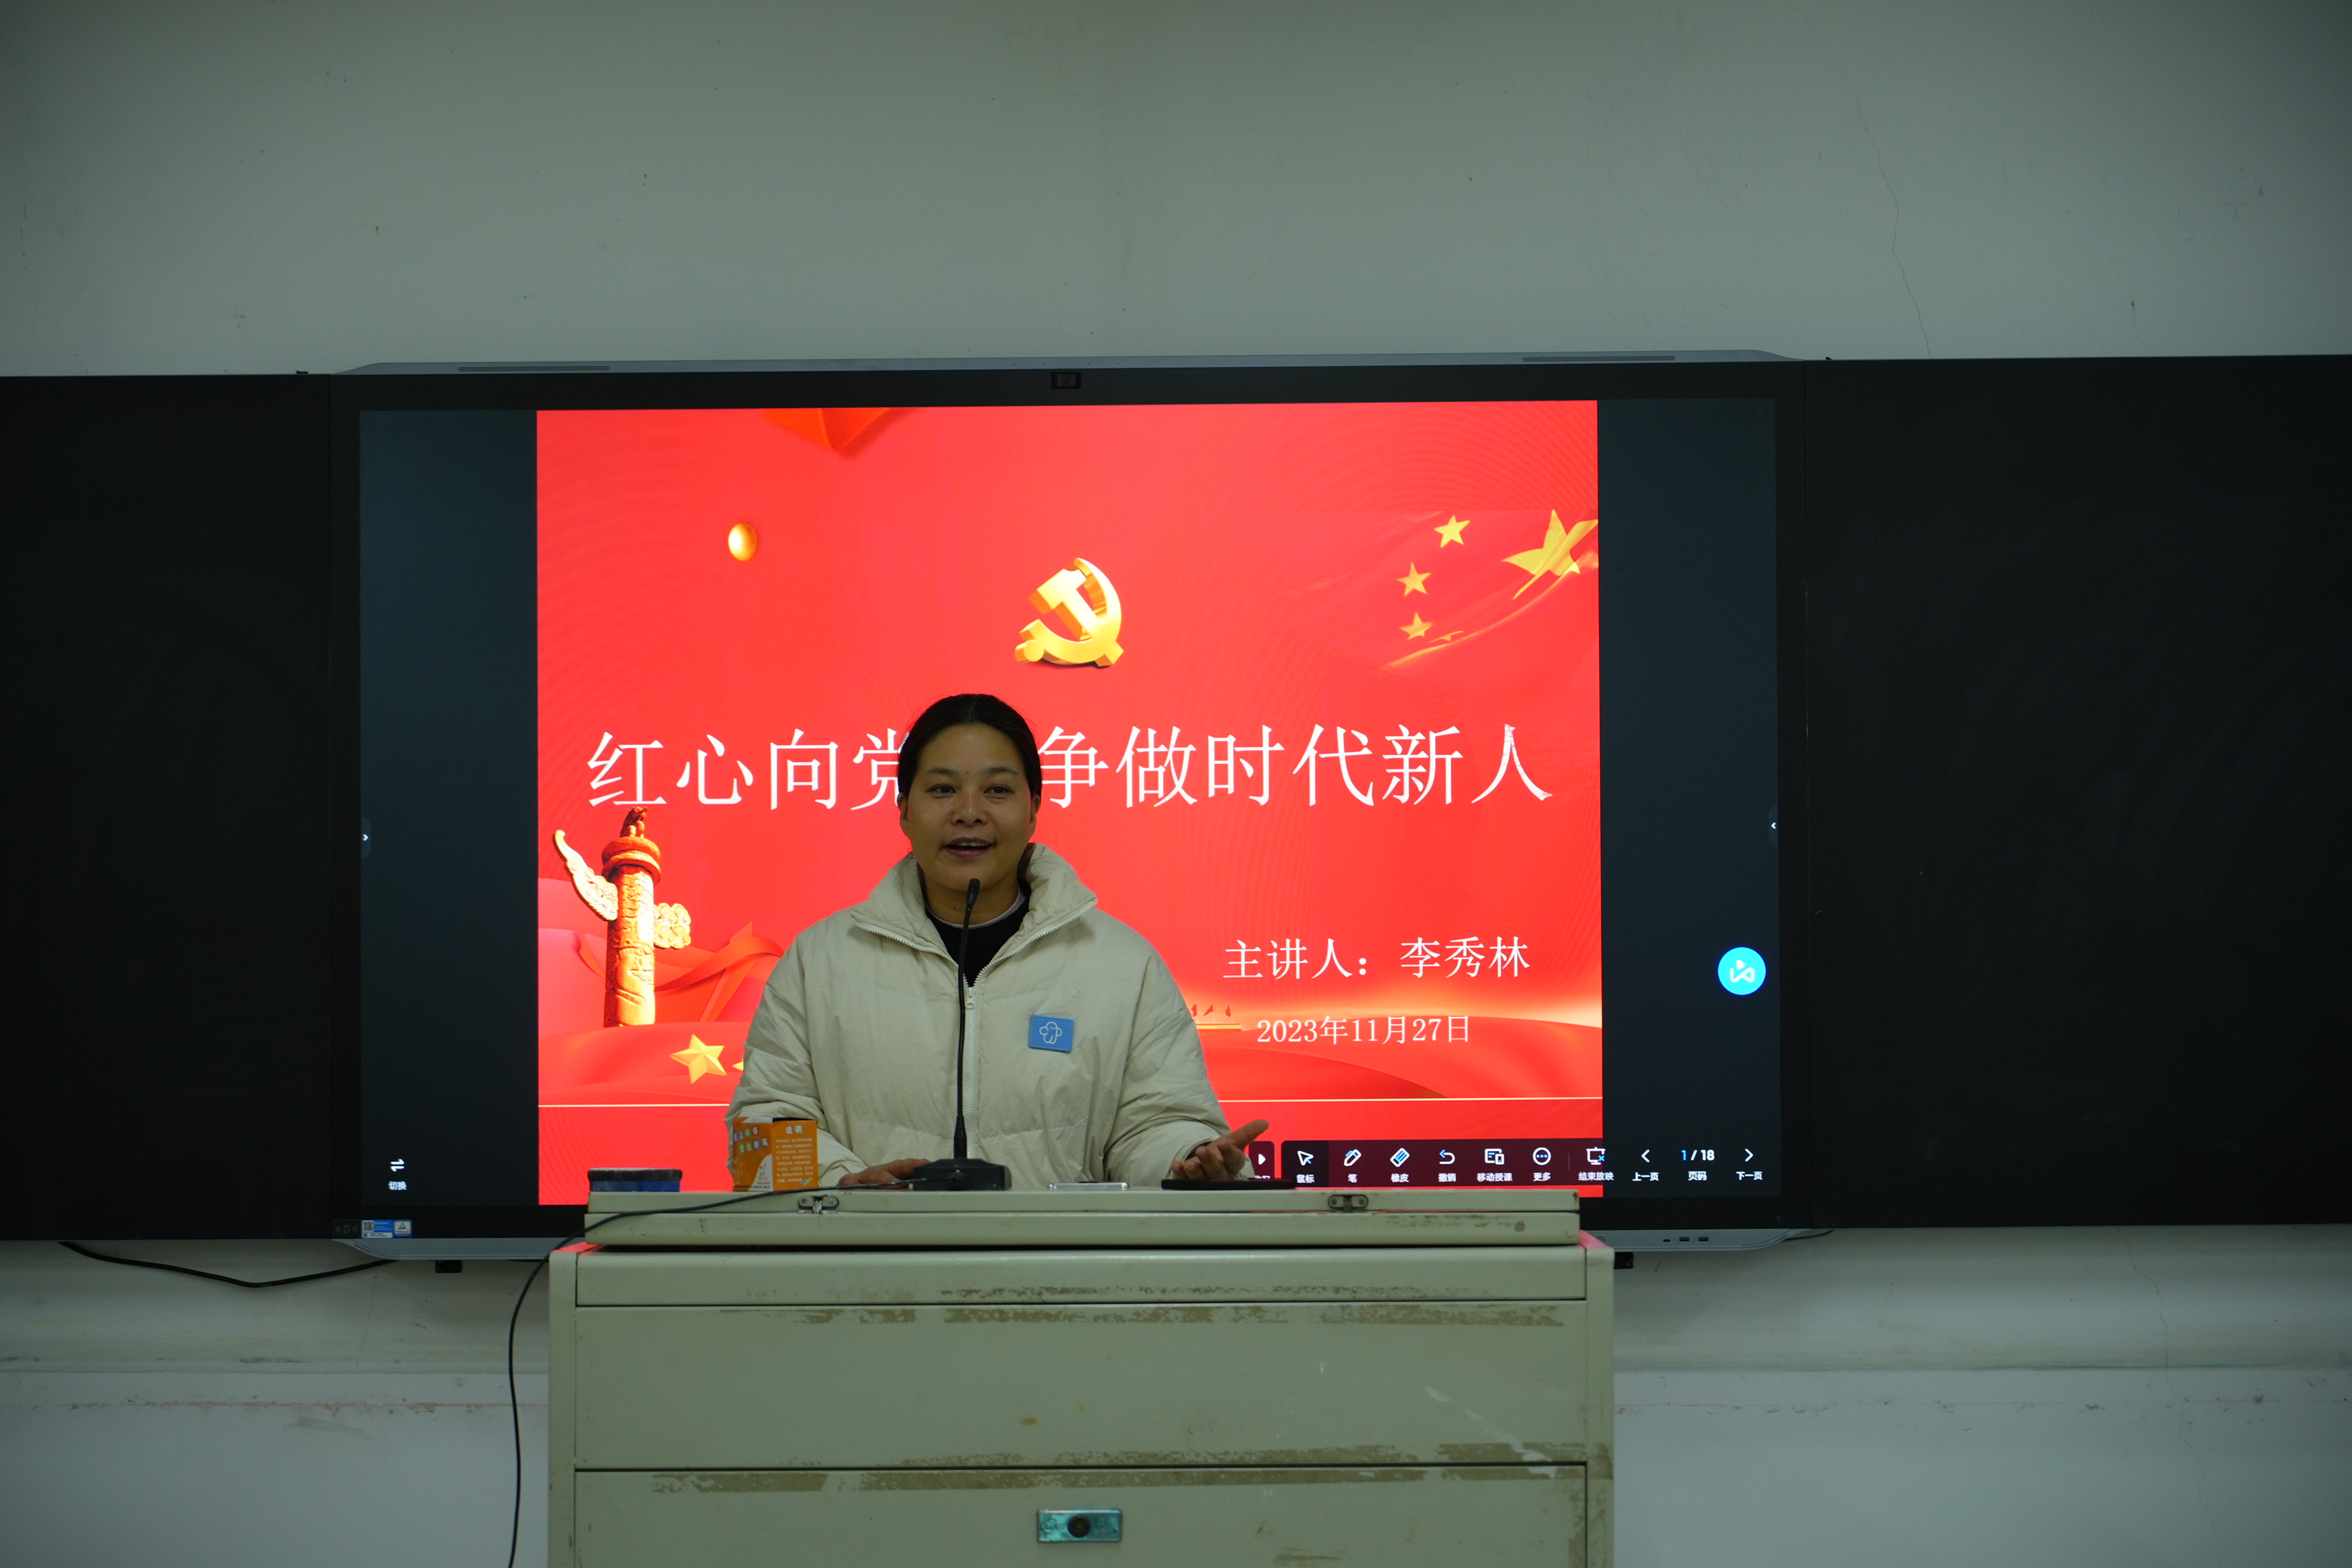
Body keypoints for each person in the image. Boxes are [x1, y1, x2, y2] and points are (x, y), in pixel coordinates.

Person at [727, 693, 1267, 1188]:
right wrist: (844, 1183)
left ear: (1033, 809)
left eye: (997, 790)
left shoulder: (1123, 966)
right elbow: (763, 1126)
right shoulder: (820, 962)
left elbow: (1156, 1124)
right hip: (870, 1257)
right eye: (943, 789)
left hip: (1057, 1261)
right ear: (904, 809)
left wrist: (1187, 1160)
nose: (969, 812)